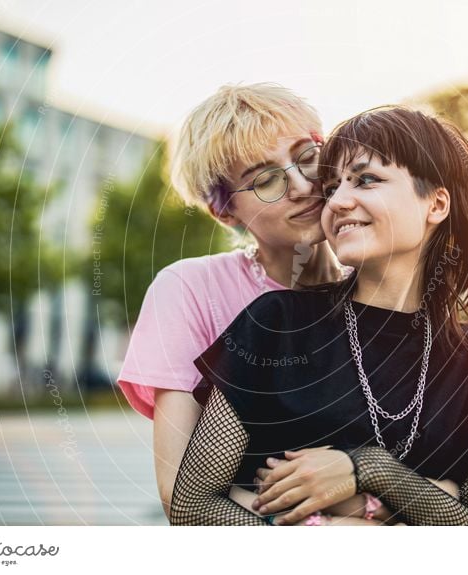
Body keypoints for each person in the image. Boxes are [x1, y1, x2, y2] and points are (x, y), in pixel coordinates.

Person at [169, 106, 468, 526]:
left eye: (366, 179)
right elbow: (193, 507)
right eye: (332, 186)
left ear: (436, 203)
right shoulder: (277, 325)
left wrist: (370, 470)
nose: (337, 201)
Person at [117, 84, 436, 523]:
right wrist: (327, 529)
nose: (304, 186)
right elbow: (180, 495)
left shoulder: (392, 287)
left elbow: (440, 478)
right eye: (266, 179)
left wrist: (367, 496)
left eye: (309, 157)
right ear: (223, 210)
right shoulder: (189, 290)